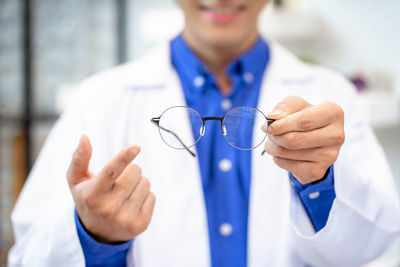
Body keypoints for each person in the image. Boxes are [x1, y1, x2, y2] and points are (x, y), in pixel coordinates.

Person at [8, 0, 400, 266]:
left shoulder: (329, 93)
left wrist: (321, 181)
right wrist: (93, 234)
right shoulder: (99, 99)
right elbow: (29, 255)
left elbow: (370, 240)